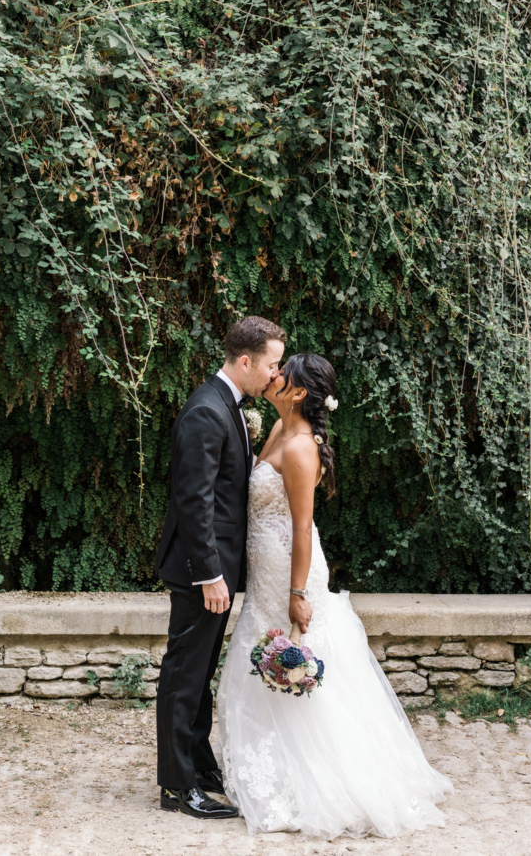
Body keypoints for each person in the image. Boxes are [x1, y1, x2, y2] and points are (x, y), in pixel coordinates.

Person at [216, 353, 452, 837]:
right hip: (264, 567)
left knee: (294, 657)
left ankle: (315, 780)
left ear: (299, 392)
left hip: (288, 570)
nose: (274, 375)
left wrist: (298, 593)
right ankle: (270, 769)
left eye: (283, 373)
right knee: (257, 656)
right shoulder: (279, 429)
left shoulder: (301, 446)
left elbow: (303, 527)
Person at [155, 316, 286, 819]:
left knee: (200, 670)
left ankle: (198, 763)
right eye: (271, 365)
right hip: (199, 570)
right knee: (184, 676)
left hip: (218, 568)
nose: (275, 375)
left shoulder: (228, 406)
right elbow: (194, 502)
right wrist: (210, 574)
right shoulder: (205, 412)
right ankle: (177, 787)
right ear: (246, 361)